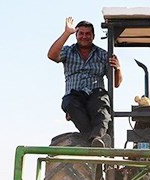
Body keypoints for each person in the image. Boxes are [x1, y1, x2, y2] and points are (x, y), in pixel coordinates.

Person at [47, 17, 123, 147]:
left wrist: (118, 69)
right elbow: (52, 55)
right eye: (81, 33)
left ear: (93, 36)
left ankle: (97, 138)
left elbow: (116, 83)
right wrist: (66, 33)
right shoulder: (68, 51)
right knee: (70, 103)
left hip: (95, 92)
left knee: (102, 109)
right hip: (75, 94)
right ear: (76, 35)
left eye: (88, 34)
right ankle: (94, 141)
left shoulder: (103, 55)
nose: (84, 36)